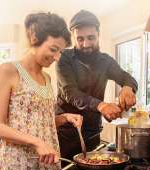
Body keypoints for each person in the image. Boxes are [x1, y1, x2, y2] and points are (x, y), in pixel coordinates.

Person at [0, 12, 82, 170]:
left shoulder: (47, 79)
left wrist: (64, 117)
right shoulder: (9, 70)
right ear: (34, 39)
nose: (57, 57)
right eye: (53, 49)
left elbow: (41, 122)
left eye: (60, 52)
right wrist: (36, 142)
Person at [56, 10, 138, 160]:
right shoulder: (64, 58)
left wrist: (128, 87)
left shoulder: (106, 61)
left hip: (93, 132)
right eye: (80, 39)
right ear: (73, 38)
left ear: (98, 35)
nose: (85, 44)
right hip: (66, 135)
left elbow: (126, 77)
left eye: (90, 38)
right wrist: (101, 106)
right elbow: (71, 93)